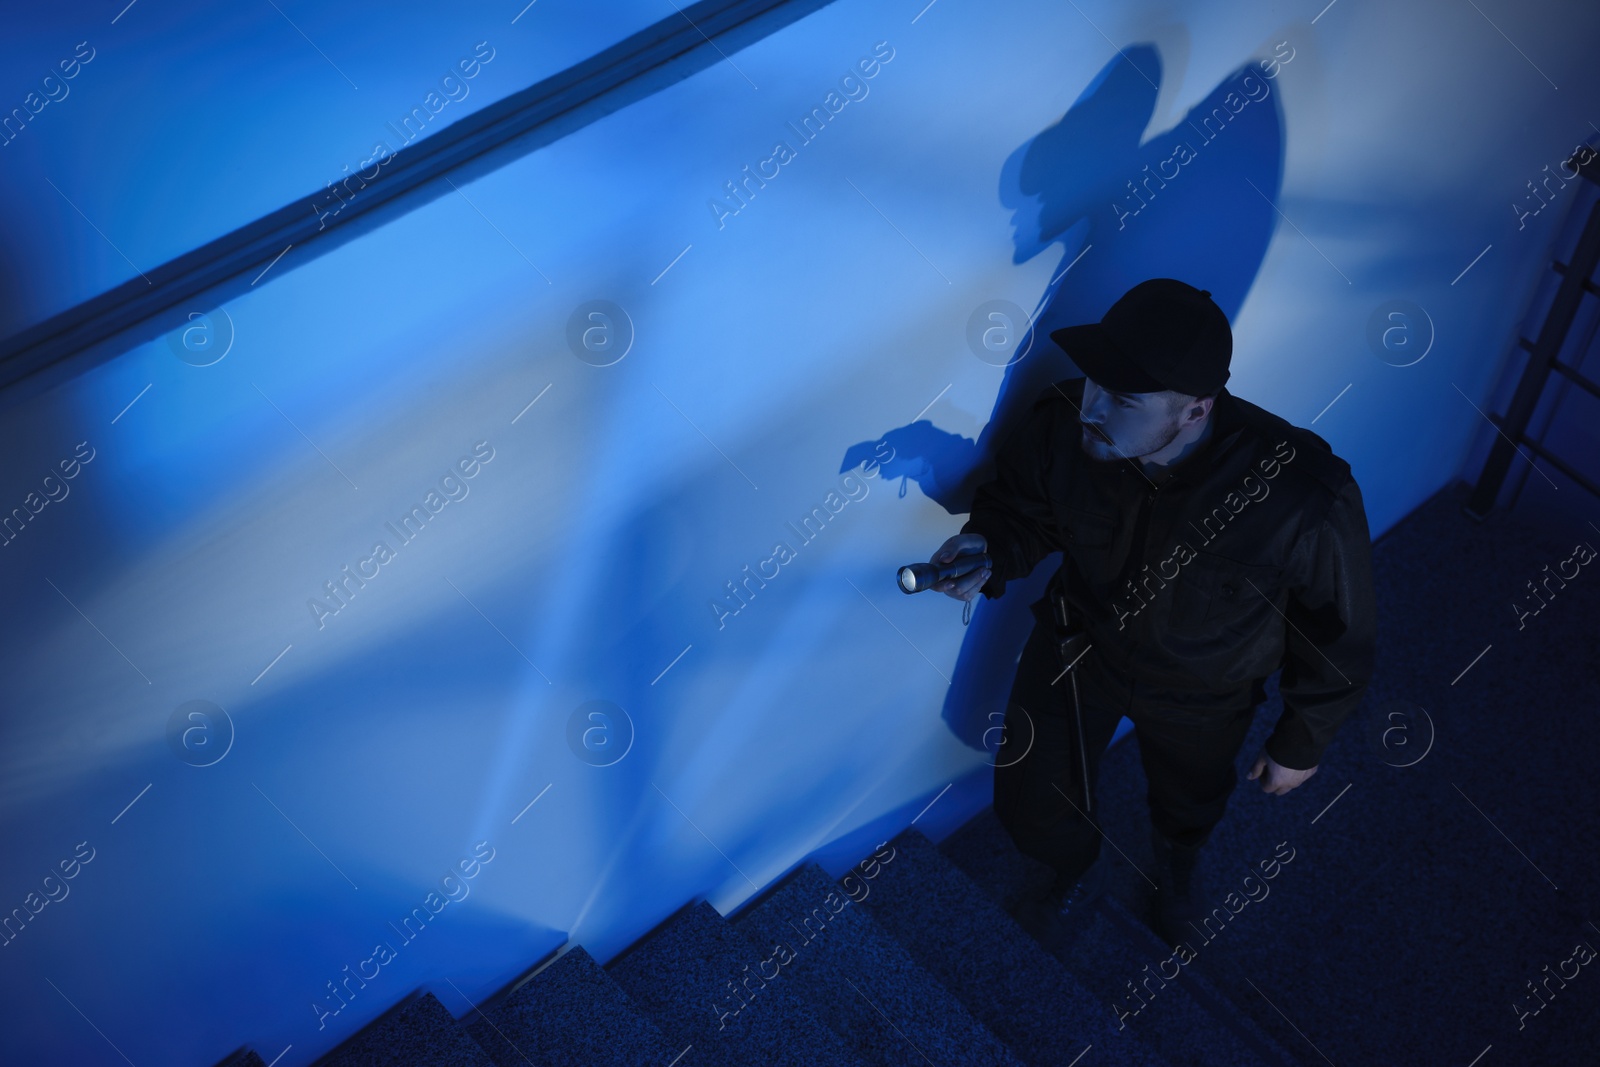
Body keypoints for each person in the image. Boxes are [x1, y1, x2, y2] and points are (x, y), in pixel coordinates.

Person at [927, 278, 1377, 951]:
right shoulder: (1063, 426)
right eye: (1093, 383)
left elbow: (1340, 628)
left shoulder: (1299, 492)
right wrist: (991, 549)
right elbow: (1025, 511)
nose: (1092, 407)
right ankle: (1078, 866)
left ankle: (1177, 867)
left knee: (1189, 801)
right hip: (1080, 646)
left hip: (1205, 689)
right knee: (1026, 803)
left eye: (1123, 399)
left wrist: (1300, 741)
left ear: (1196, 410)